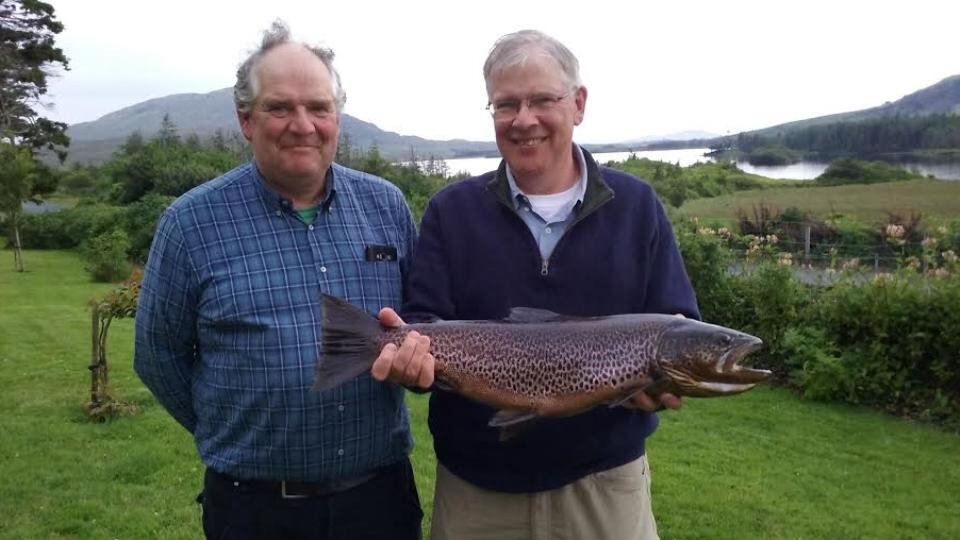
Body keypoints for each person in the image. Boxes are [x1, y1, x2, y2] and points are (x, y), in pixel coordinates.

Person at [397, 29, 702, 540]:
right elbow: (425, 325)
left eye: (542, 100)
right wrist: (410, 362)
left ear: (578, 104)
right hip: (476, 491)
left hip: (604, 487)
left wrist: (661, 384)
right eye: (505, 104)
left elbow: (677, 323)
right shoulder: (450, 212)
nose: (524, 120)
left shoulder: (637, 206)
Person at [134, 21, 428, 540]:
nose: (303, 124)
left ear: (337, 116)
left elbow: (423, 323)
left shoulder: (386, 206)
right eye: (279, 108)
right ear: (246, 120)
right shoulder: (190, 223)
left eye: (318, 108)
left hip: (379, 502)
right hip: (255, 511)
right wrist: (229, 429)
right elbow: (158, 353)